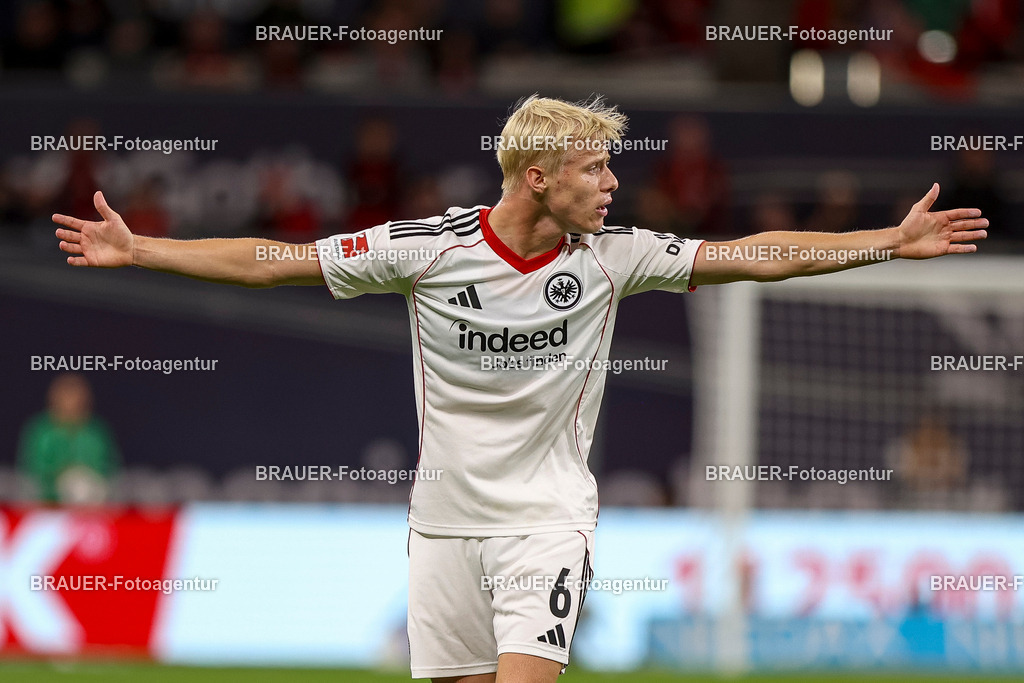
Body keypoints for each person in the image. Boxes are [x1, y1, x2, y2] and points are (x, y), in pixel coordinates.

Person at [51, 95, 987, 683]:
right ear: (537, 177)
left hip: (545, 522)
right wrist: (143, 248)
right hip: (442, 526)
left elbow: (753, 257)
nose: (616, 183)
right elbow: (275, 261)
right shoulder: (424, 249)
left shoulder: (618, 256)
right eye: (595, 168)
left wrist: (882, 242)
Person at [18, 373, 120, 505]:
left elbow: (111, 468)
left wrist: (88, 480)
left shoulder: (97, 432)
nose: (70, 400)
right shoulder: (40, 432)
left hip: (94, 505)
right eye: (66, 394)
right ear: (54, 398)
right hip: (47, 506)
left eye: (76, 394)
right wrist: (61, 480)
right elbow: (30, 471)